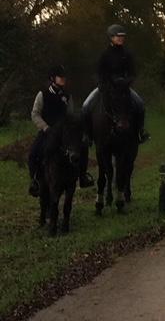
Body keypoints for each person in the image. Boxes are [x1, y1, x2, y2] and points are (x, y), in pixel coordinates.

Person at [28, 65, 94, 197]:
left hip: (65, 134)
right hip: (47, 131)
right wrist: (45, 127)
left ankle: (82, 177)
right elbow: (35, 114)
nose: (63, 79)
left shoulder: (67, 96)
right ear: (53, 78)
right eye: (60, 77)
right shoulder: (43, 94)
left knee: (83, 147)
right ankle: (35, 181)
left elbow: (70, 116)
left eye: (64, 77)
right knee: (33, 153)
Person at [83, 24, 149, 144]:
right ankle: (88, 135)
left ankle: (140, 132)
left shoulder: (127, 54)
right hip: (107, 86)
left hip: (123, 87)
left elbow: (132, 72)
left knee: (140, 104)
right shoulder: (104, 54)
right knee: (86, 106)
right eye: (118, 37)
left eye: (122, 37)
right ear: (111, 37)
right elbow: (99, 72)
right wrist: (103, 84)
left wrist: (126, 81)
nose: (121, 39)